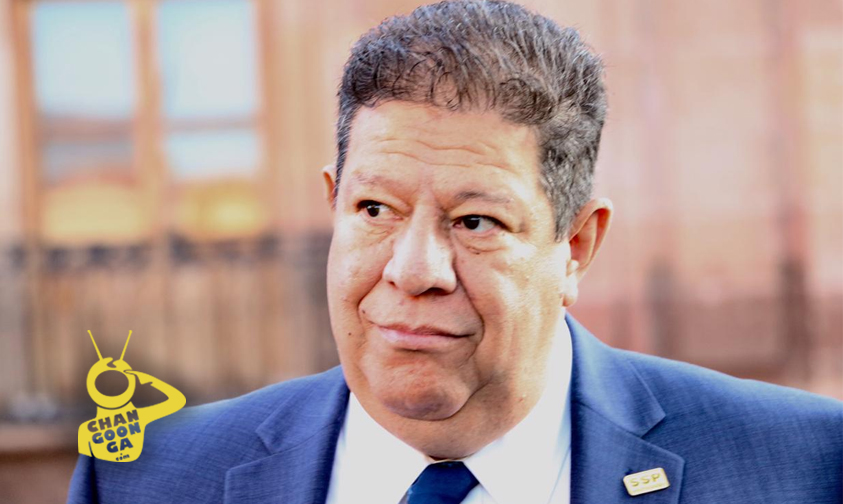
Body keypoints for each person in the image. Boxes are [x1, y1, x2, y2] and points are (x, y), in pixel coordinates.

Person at [67, 1, 842, 503]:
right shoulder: (143, 480)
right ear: (333, 203)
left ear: (574, 245)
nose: (412, 271)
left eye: (475, 222)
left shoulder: (805, 467)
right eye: (374, 209)